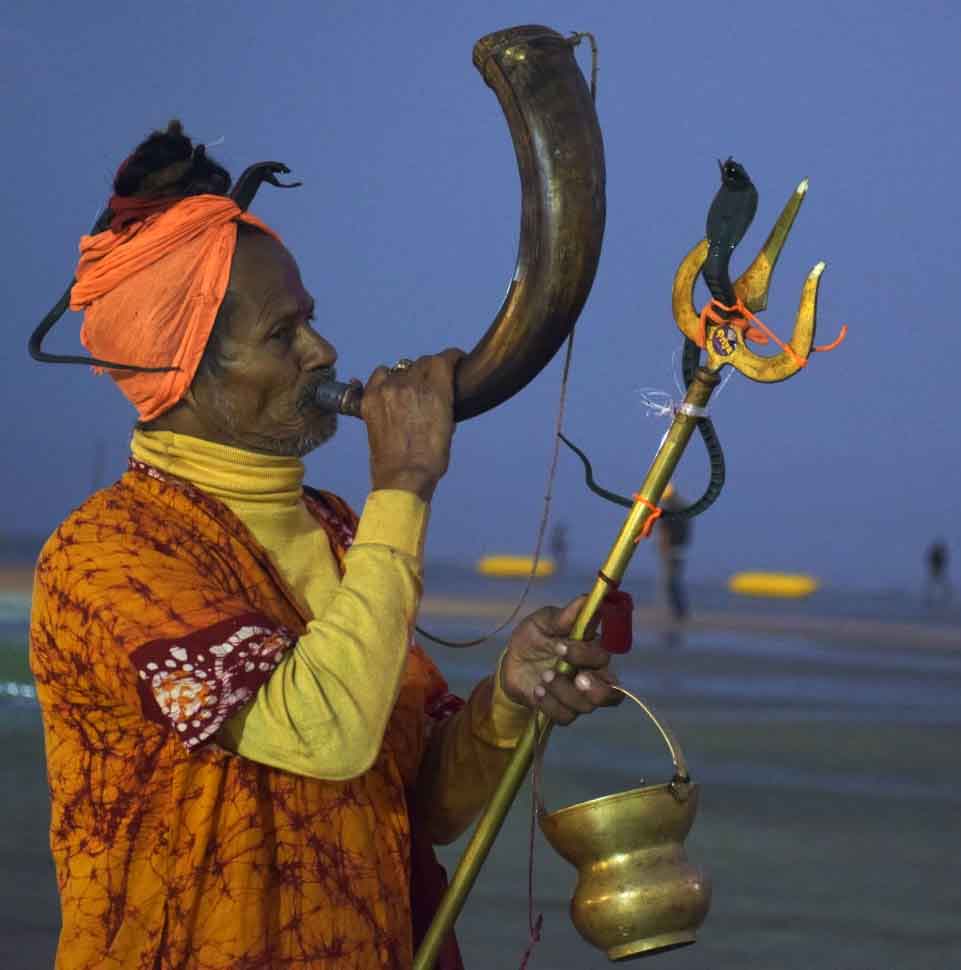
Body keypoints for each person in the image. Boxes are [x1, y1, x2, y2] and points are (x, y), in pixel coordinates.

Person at [28, 122, 620, 970]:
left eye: (310, 321)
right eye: (282, 335)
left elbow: (415, 798)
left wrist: (507, 701)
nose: (323, 352)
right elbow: (323, 733)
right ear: (184, 370)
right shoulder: (108, 557)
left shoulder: (340, 528)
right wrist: (406, 482)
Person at [656, 482, 692, 623]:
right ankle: (678, 611)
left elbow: (665, 531)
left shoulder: (670, 508)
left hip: (672, 549)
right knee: (673, 581)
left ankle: (678, 612)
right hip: (680, 548)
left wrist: (663, 546)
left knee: (670, 582)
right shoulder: (682, 506)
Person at [924, 538, 951, 605]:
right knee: (935, 585)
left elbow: (931, 561)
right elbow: (932, 561)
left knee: (935, 584)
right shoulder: (936, 554)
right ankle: (930, 599)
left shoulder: (936, 554)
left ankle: (931, 598)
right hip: (936, 571)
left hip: (937, 570)